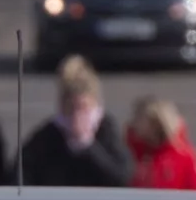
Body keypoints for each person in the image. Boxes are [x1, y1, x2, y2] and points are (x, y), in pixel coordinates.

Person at [17, 56, 132, 188]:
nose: (77, 116)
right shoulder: (49, 135)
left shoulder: (106, 130)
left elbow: (121, 176)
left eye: (83, 108)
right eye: (72, 108)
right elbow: (22, 172)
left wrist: (89, 147)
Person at [127, 98, 196, 191]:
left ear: (154, 123)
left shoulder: (183, 155)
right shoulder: (132, 151)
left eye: (139, 118)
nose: (134, 123)